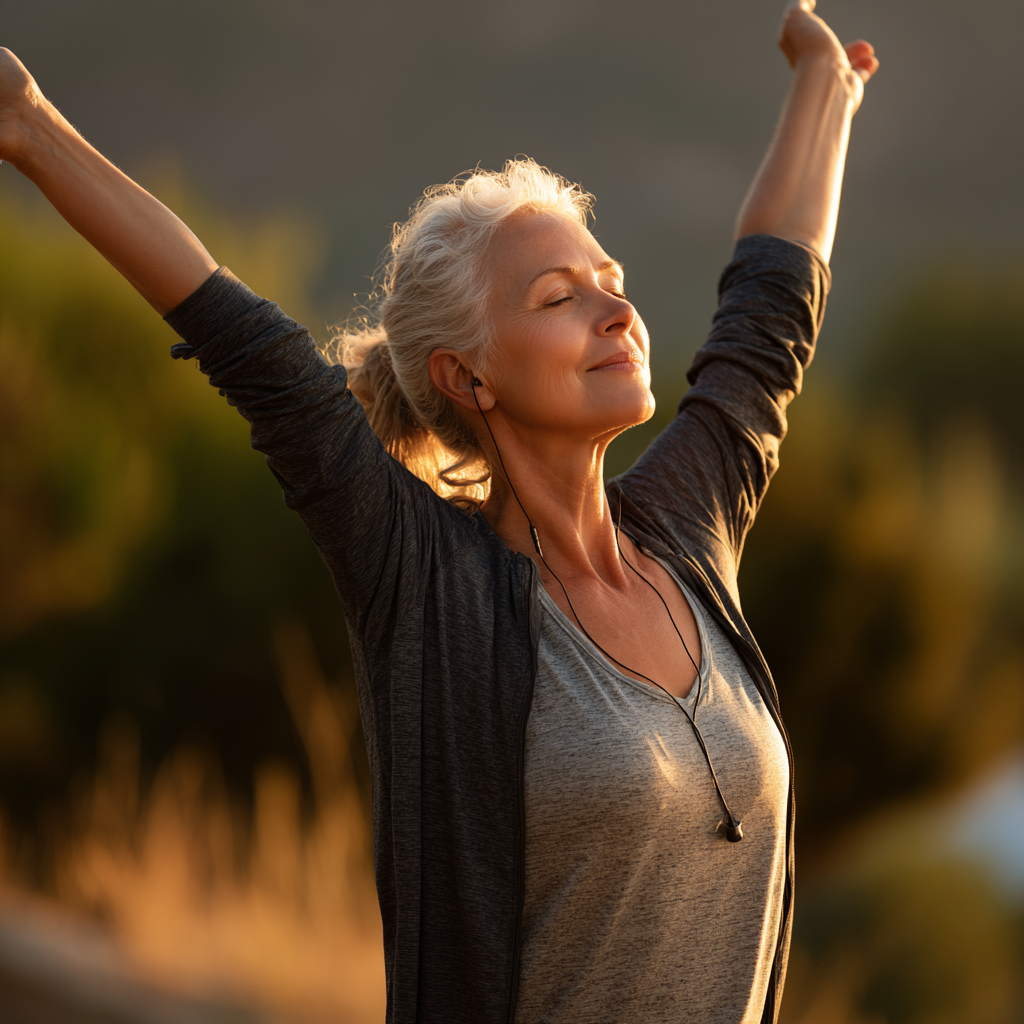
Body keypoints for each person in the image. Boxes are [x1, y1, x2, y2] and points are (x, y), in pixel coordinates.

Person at [0, 1, 878, 1020]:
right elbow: (250, 347)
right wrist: (28, 126)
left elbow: (765, 322)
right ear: (468, 377)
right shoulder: (427, 582)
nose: (615, 310)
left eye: (611, 280)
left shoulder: (685, 535)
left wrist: (826, 87)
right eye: (558, 296)